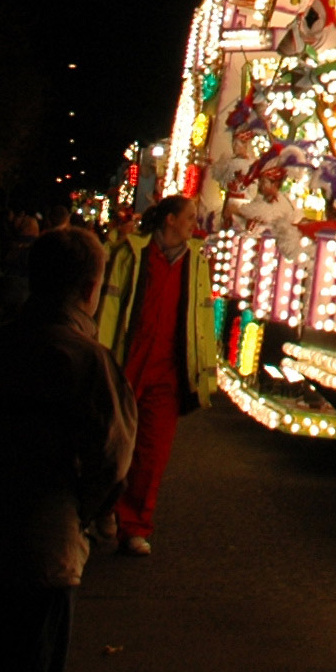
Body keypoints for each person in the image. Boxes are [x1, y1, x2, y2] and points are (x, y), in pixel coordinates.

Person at [0, 225, 136, 672]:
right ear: (90, 289)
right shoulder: (91, 362)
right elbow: (113, 461)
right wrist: (79, 512)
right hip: (44, 551)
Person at [96, 194, 219, 555]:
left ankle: (135, 527)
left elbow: (201, 320)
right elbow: (111, 308)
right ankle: (102, 510)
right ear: (170, 220)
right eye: (189, 217)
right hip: (128, 363)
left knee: (152, 454)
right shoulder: (132, 253)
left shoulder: (196, 262)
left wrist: (201, 373)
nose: (194, 224)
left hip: (169, 371)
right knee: (112, 446)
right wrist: (102, 358)